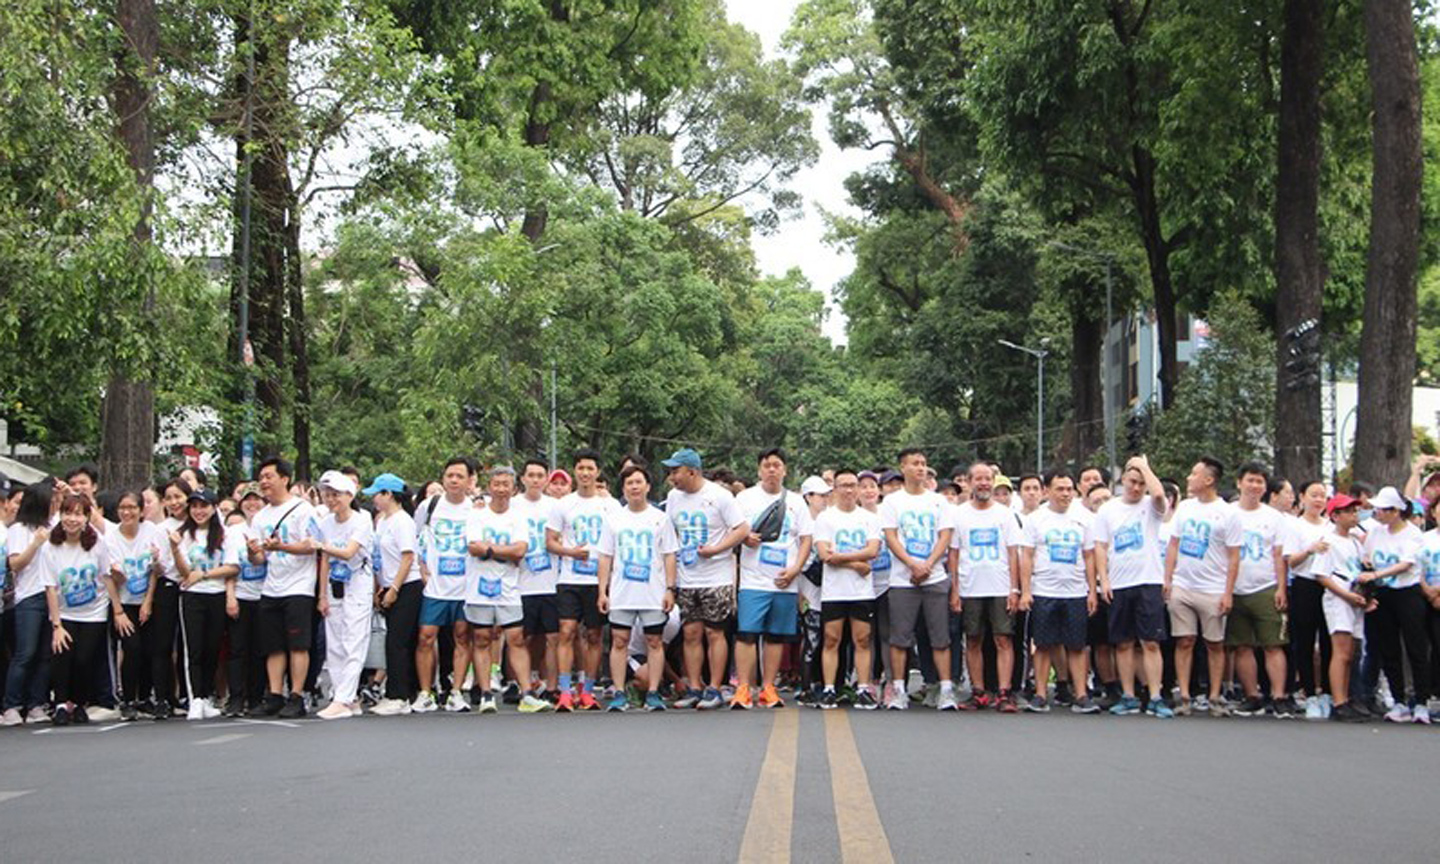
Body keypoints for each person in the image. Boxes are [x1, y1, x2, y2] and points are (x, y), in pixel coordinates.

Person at [662, 448, 748, 711]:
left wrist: (718, 548)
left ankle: (714, 687)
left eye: (676, 471)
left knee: (715, 632)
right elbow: (669, 535)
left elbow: (743, 529)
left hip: (716, 577)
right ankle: (695, 686)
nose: (672, 476)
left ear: (692, 471)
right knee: (690, 633)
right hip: (688, 577)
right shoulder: (673, 497)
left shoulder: (719, 496)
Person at [731, 448, 813, 709]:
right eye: (767, 465)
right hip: (753, 579)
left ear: (785, 470)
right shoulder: (745, 498)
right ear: (759, 470)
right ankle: (744, 687)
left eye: (777, 465)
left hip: (784, 580)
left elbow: (805, 539)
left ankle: (768, 687)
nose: (772, 470)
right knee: (746, 634)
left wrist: (795, 570)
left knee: (776, 636)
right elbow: (732, 530)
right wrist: (745, 537)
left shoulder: (797, 502)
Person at [1093, 456, 1172, 717]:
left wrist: (1145, 466)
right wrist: (1104, 580)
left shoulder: (1152, 506)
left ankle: (1155, 695)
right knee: (1123, 643)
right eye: (1132, 481)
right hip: (1120, 583)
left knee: (1150, 642)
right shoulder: (1108, 510)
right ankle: (1127, 695)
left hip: (1148, 581)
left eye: (1141, 483)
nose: (1136, 487)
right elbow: (1101, 547)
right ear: (1123, 480)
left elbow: (1159, 493)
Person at [597, 464, 679, 712]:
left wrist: (670, 589)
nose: (634, 487)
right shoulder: (614, 520)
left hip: (652, 592)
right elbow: (605, 557)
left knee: (654, 641)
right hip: (622, 593)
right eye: (629, 483)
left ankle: (653, 693)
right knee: (619, 641)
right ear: (623, 489)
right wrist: (603, 591)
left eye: (638, 482)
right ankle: (619, 692)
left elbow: (669, 556)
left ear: (648, 486)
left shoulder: (660, 518)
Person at [879, 449, 957, 711]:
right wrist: (912, 564)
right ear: (903, 468)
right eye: (915, 464)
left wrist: (928, 564)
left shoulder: (938, 501)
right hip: (903, 580)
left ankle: (946, 689)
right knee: (900, 637)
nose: (921, 468)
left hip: (934, 578)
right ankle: (899, 689)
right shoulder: (892, 502)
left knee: (940, 636)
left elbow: (945, 536)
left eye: (924, 463)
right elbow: (891, 538)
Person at [1019, 470, 1099, 714]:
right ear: (1047, 491)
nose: (1065, 494)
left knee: (1077, 646)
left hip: (1075, 592)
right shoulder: (1036, 519)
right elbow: (1027, 555)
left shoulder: (1084, 518)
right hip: (1044, 590)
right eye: (1059, 489)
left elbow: (1089, 555)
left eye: (1069, 489)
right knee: (1042, 644)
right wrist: (1025, 591)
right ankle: (1041, 695)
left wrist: (1092, 591)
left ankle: (1081, 695)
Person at [547, 449, 620, 711]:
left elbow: (619, 541)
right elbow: (550, 542)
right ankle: (565, 692)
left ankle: (587, 690)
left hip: (598, 581)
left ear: (597, 472)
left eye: (590, 468)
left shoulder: (610, 506)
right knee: (566, 631)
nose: (586, 473)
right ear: (575, 471)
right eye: (581, 468)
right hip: (569, 578)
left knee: (594, 635)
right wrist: (571, 552)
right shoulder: (563, 504)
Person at [1163, 457, 1237, 717]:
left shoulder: (1228, 512)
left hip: (1213, 588)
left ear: (1209, 479)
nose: (1189, 478)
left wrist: (1228, 592)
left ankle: (1215, 695)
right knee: (1184, 640)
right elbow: (1173, 544)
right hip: (1183, 585)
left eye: (1194, 474)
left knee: (1214, 643)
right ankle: (1184, 695)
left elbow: (1234, 555)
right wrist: (1168, 579)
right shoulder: (1184, 508)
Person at [249, 457, 322, 719]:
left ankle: (297, 695)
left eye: (269, 476)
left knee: (297, 645)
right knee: (273, 646)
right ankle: (275, 694)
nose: (264, 482)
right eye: (262, 477)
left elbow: (311, 545)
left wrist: (281, 547)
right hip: (271, 587)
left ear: (285, 478)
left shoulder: (303, 510)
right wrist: (253, 553)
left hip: (299, 587)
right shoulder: (260, 517)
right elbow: (259, 560)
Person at [464, 466, 540, 713]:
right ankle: (486, 694)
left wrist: (489, 549)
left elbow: (520, 550)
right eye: (496, 484)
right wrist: (499, 551)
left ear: (513, 488)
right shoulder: (476, 515)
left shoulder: (518, 518)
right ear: (489, 487)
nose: (501, 489)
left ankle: (527, 693)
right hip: (479, 587)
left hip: (509, 587)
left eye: (506, 484)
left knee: (516, 638)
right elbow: (473, 547)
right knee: (482, 638)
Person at [947, 462, 1021, 713]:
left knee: (1003, 639)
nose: (983, 483)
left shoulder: (1005, 514)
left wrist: (1014, 589)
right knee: (974, 639)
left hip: (1000, 586)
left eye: (988, 478)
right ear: (968, 482)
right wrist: (955, 590)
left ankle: (1003, 692)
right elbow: (954, 554)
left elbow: (1013, 553)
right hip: (970, 586)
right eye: (978, 478)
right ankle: (978, 691)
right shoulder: (959, 514)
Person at [43, 494, 121, 725]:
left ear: (87, 517)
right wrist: (56, 625)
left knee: (84, 659)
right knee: (62, 657)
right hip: (64, 612)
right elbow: (50, 587)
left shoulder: (97, 543)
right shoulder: (50, 546)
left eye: (78, 514)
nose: (72, 519)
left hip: (94, 612)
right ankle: (60, 703)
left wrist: (118, 610)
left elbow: (106, 577)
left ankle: (78, 703)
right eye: (67, 513)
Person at [1224, 463, 1295, 717]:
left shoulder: (1274, 517)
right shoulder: (1227, 513)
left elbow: (1279, 555)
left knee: (1273, 644)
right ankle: (1251, 694)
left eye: (1260, 482)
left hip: (1266, 586)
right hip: (1233, 587)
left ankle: (1278, 695)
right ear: (1239, 482)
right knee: (1242, 645)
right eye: (1250, 480)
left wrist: (1281, 588)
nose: (1255, 486)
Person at [412, 456, 479, 714]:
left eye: (459, 476)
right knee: (425, 637)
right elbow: (418, 538)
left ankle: (456, 691)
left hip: (465, 586)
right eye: (449, 475)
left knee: (463, 637)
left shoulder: (476, 509)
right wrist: (423, 569)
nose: (453, 480)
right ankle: (425, 693)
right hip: (436, 587)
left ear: (469, 481)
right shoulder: (429, 506)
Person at [1359, 486, 1431, 723]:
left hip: (1407, 593)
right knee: (1388, 648)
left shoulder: (1412, 533)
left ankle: (1421, 701)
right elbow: (1367, 556)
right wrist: (1370, 570)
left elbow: (1406, 564)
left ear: (1396, 511)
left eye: (1383, 509)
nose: (1378, 513)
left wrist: (1377, 574)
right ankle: (1398, 700)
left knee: (1415, 647)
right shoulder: (1376, 533)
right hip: (1384, 594)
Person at [814, 469, 882, 709]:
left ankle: (863, 688)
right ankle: (830, 687)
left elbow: (872, 550)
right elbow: (824, 554)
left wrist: (840, 556)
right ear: (835, 489)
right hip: (834, 591)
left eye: (853, 485)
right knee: (832, 639)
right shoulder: (826, 518)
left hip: (862, 592)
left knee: (862, 639)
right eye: (843, 485)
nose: (849, 490)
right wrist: (856, 564)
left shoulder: (869, 518)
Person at [171, 488, 241, 720]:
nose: (199, 511)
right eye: (194, 506)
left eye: (204, 506)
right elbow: (184, 573)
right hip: (192, 596)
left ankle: (207, 695)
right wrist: (174, 548)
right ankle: (195, 698)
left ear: (213, 508)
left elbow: (232, 566)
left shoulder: (225, 534)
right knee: (194, 648)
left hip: (217, 594)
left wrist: (204, 574)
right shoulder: (183, 534)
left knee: (213, 647)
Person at [314, 471, 375, 720]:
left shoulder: (362, 520)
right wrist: (322, 595)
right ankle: (344, 698)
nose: (330, 499)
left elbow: (349, 552)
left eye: (335, 494)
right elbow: (325, 561)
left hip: (358, 582)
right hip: (334, 584)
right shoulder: (325, 523)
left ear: (350, 495)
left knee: (354, 641)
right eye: (327, 495)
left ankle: (344, 697)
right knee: (335, 643)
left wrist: (320, 546)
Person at [1313, 494, 1373, 722]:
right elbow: (1322, 575)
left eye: (1355, 511)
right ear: (1335, 516)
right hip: (1339, 598)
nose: (1353, 515)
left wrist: (1364, 596)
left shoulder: (1356, 542)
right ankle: (1338, 701)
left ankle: (1346, 697)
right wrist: (1346, 595)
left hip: (1354, 599)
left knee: (1352, 652)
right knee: (1341, 651)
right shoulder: (1328, 541)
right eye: (1347, 511)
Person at [106, 491, 165, 720]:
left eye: (132, 507)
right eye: (123, 507)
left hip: (146, 599)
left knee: (150, 649)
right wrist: (118, 610)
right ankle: (128, 699)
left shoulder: (151, 531)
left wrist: (148, 601)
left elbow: (155, 571)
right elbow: (109, 579)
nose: (127, 512)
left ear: (141, 510)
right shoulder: (110, 538)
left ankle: (144, 697)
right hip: (123, 602)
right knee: (132, 649)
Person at [367, 474, 421, 716]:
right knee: (395, 642)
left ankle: (399, 695)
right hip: (389, 585)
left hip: (407, 586)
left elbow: (408, 557)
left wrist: (395, 588)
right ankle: (403, 691)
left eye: (377, 494)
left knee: (397, 642)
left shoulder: (402, 521)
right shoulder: (382, 521)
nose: (375, 500)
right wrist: (382, 586)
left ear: (388, 494)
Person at [1285, 479, 1334, 718]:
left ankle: (1327, 691)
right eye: (1313, 495)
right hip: (1304, 585)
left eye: (1323, 496)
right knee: (1304, 642)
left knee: (1328, 641)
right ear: (1302, 497)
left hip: (1330, 586)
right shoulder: (1295, 526)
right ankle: (1309, 694)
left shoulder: (1331, 526)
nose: (1318, 500)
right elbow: (1290, 561)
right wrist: (1310, 549)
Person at [513, 459, 560, 700]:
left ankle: (551, 687)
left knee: (553, 637)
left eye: (540, 475)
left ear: (546, 479)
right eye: (530, 475)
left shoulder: (555, 506)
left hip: (550, 581)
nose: (535, 479)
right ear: (522, 478)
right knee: (521, 637)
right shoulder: (512, 506)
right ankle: (519, 683)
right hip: (519, 583)